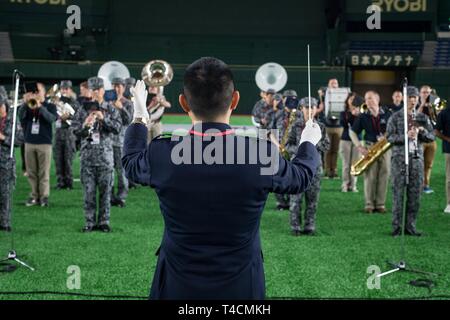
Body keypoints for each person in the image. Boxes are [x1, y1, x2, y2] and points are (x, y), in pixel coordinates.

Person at [122, 57, 322, 300]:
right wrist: (308, 142)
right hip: (241, 286)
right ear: (235, 100)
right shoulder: (260, 154)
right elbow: (300, 178)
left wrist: (140, 115)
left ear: (183, 103)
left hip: (177, 285)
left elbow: (131, 164)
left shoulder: (162, 153)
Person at [72, 77, 121, 233]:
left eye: (98, 89)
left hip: (105, 158)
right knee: (89, 192)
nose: (95, 92)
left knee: (106, 192)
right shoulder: (82, 109)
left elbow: (118, 128)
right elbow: (75, 131)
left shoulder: (110, 108)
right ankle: (89, 222)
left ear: (102, 90)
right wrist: (85, 124)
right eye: (92, 89)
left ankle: (104, 221)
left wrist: (103, 118)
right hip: (87, 157)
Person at [386, 87, 435, 237]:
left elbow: (432, 136)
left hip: (417, 160)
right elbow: (389, 137)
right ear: (404, 99)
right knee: (398, 195)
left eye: (415, 98)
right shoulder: (395, 117)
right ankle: (396, 228)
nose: (413, 101)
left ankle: (410, 227)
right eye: (410, 98)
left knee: (415, 196)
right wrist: (405, 136)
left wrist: (421, 132)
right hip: (399, 161)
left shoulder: (422, 118)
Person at [286, 97, 329, 236]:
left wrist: (313, 146)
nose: (309, 110)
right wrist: (301, 149)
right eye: (306, 107)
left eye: (312, 107)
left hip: (315, 167)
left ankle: (310, 226)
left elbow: (326, 144)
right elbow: (288, 145)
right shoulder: (295, 125)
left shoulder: (320, 127)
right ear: (301, 109)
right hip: (297, 167)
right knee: (295, 199)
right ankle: (295, 226)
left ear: (316, 109)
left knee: (312, 199)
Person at [350, 91, 391, 214]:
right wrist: (359, 147)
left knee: (384, 175)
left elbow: (393, 128)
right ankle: (369, 204)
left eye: (370, 98)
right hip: (369, 148)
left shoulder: (388, 114)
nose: (368, 101)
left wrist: (386, 136)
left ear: (377, 100)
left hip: (385, 148)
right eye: (366, 99)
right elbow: (352, 132)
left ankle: (380, 204)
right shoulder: (363, 116)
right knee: (370, 176)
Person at [19, 82, 57, 207]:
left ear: (44, 93)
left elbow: (51, 119)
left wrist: (40, 107)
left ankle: (44, 197)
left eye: (38, 91)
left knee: (43, 172)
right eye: (34, 92)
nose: (35, 94)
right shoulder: (28, 106)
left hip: (44, 143)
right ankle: (34, 196)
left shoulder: (50, 106)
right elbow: (21, 117)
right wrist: (25, 103)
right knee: (31, 172)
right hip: (29, 142)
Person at [110, 77, 133, 207]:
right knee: (109, 171)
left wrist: (121, 108)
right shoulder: (108, 102)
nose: (116, 88)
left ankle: (121, 197)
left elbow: (129, 120)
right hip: (108, 142)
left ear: (124, 88)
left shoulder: (128, 103)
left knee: (121, 171)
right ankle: (110, 196)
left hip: (121, 142)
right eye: (114, 86)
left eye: (119, 86)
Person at [0, 95, 22, 232]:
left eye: (1, 106)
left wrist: (3, 138)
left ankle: (5, 222)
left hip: (6, 162)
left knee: (5, 193)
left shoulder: (13, 120)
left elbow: (19, 141)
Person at [53, 80, 80, 190]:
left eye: (66, 89)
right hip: (58, 133)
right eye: (63, 88)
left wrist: (68, 117)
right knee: (58, 159)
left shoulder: (74, 103)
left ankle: (68, 182)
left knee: (67, 159)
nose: (64, 90)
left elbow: (78, 117)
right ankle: (60, 182)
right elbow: (52, 115)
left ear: (70, 90)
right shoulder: (56, 102)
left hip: (69, 134)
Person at [339, 93, 362, 193]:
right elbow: (343, 124)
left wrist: (358, 115)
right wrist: (351, 115)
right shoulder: (343, 113)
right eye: (350, 99)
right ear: (347, 100)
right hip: (346, 140)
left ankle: (353, 185)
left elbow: (361, 126)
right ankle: (345, 184)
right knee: (346, 164)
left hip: (358, 140)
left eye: (354, 99)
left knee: (355, 164)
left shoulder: (361, 113)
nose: (352, 101)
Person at [417, 85, 437, 194]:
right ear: (420, 93)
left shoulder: (434, 105)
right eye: (424, 92)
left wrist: (431, 107)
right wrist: (422, 104)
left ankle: (426, 185)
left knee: (429, 164)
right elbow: (416, 116)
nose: (426, 94)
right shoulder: (415, 103)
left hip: (431, 139)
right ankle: (417, 185)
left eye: (428, 92)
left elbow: (436, 120)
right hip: (420, 140)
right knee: (418, 163)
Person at [322, 79, 343, 179]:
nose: (334, 85)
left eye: (336, 83)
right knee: (328, 150)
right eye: (332, 83)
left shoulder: (342, 97)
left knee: (335, 150)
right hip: (327, 126)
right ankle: (327, 171)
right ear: (328, 85)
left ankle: (334, 171)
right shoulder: (324, 95)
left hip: (339, 126)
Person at [434, 101, 450, 214]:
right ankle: (449, 204)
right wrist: (447, 139)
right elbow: (436, 131)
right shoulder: (444, 113)